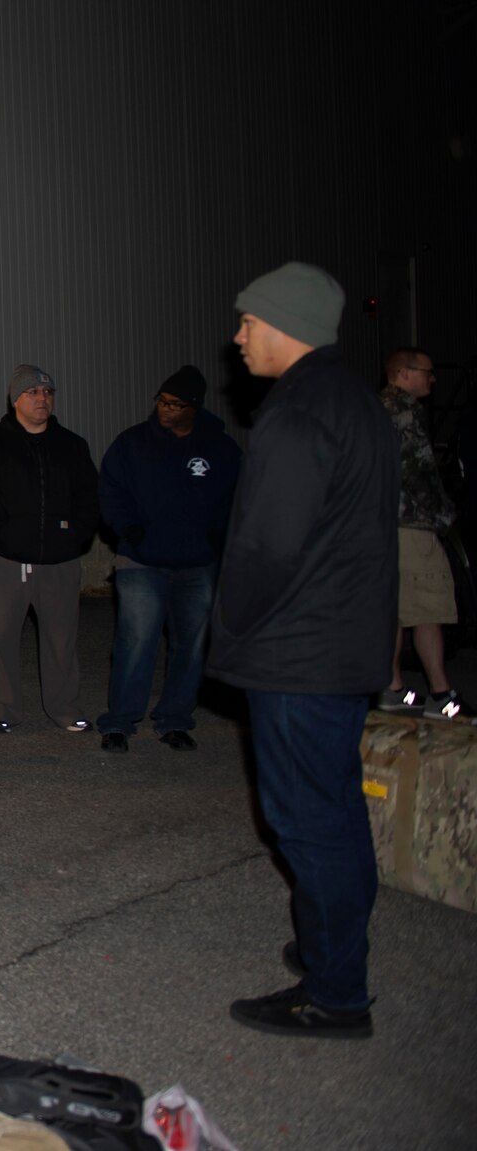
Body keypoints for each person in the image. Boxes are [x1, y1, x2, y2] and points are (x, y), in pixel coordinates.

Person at [210, 261, 395, 1039]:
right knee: (338, 814)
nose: (238, 336)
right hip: (344, 646)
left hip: (298, 654)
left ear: (283, 325)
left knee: (308, 822)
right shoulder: (355, 401)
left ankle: (335, 994)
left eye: (247, 322)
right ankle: (330, 945)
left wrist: (232, 625)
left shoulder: (295, 415)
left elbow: (266, 547)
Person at [94, 365, 242, 752]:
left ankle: (175, 718)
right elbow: (110, 488)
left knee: (191, 643)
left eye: (175, 404)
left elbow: (239, 497)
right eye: (161, 401)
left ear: (194, 406)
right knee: (136, 639)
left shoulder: (220, 449)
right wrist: (128, 528)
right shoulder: (133, 443)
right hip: (142, 559)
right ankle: (120, 722)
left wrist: (218, 534)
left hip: (197, 561)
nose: (165, 409)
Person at [0, 364, 99, 733]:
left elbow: (88, 498)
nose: (42, 399)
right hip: (8, 560)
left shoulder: (71, 446)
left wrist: (75, 538)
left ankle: (64, 707)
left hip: (60, 561)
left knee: (61, 638)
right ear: (15, 400)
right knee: (0, 636)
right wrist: (4, 541)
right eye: (33, 393)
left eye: (48, 393)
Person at [379, 347, 461, 716]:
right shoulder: (405, 411)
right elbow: (419, 472)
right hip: (411, 525)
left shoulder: (374, 407)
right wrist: (444, 516)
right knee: (428, 607)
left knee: (394, 607)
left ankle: (392, 688)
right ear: (404, 373)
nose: (433, 377)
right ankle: (441, 695)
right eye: (427, 371)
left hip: (380, 525)